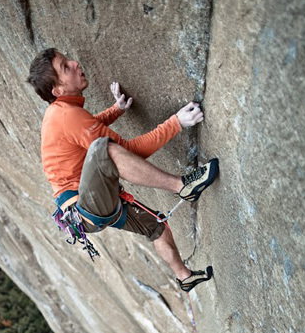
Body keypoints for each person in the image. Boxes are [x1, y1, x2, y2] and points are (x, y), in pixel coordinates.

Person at [27, 48, 219, 291]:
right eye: (65, 67)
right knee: (105, 150)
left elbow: (86, 129)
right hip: (85, 205)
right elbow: (126, 151)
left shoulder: (61, 113)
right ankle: (182, 186)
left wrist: (116, 109)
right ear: (58, 90)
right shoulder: (66, 116)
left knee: (156, 227)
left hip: (87, 210)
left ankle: (185, 277)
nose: (75, 63)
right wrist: (176, 123)